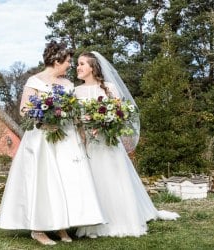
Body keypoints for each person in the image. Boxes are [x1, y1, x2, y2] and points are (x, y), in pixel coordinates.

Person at [0, 42, 105, 245]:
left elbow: (73, 111)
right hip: (41, 139)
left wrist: (81, 128)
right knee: (44, 182)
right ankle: (38, 229)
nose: (70, 66)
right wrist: (45, 118)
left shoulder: (68, 84)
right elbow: (24, 110)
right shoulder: (34, 81)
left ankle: (62, 226)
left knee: (66, 180)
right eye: (68, 62)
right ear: (56, 61)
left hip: (66, 137)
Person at [74, 51, 179, 238]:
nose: (78, 67)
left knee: (114, 180)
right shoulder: (76, 92)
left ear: (92, 67)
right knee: (94, 182)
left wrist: (105, 123)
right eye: (77, 64)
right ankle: (94, 224)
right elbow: (76, 120)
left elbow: (120, 115)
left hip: (108, 142)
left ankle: (122, 220)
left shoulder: (110, 87)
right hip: (88, 144)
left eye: (82, 64)